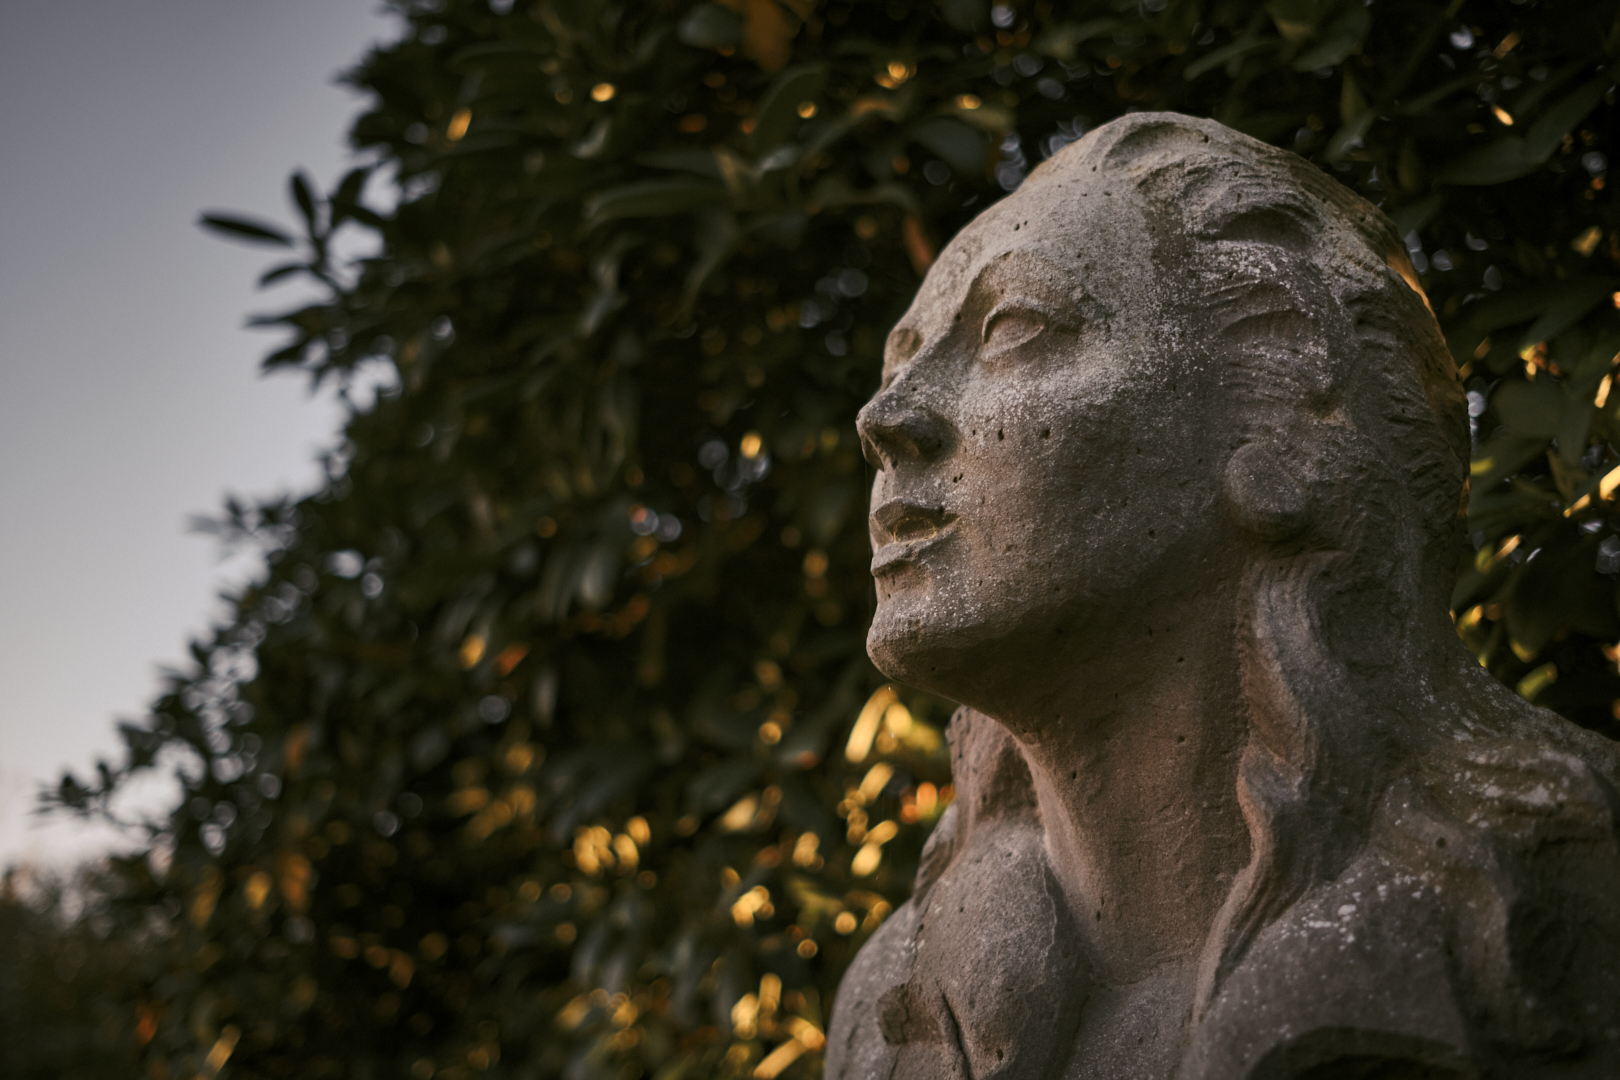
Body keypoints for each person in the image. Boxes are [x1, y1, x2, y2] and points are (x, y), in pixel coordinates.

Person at [827, 112, 1620, 1080]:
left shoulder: (1561, 880)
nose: (886, 416)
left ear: (1276, 424)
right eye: (899, 358)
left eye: (1012, 330)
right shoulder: (889, 1016)